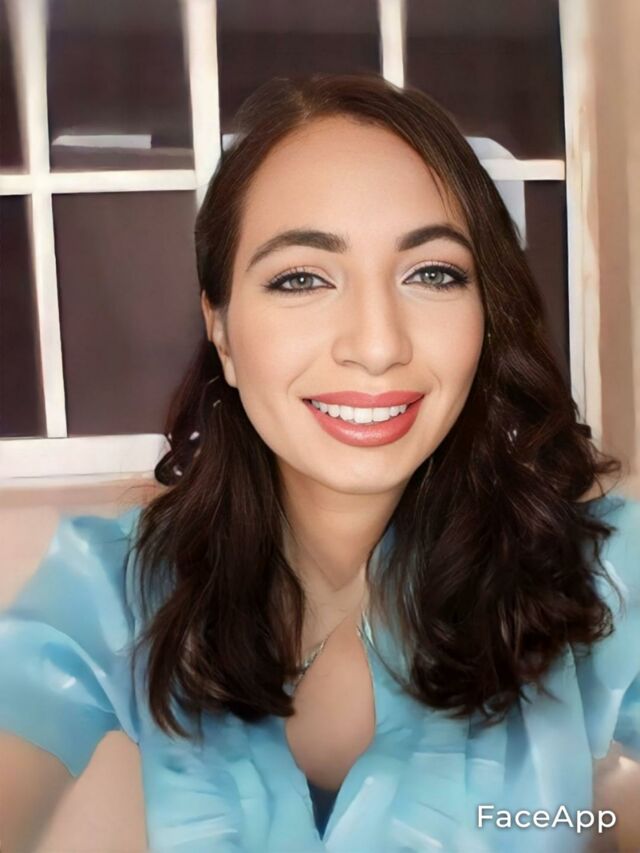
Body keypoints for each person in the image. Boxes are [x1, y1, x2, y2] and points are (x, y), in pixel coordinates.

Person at [1, 73, 638, 852]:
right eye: (301, 277)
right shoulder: (117, 587)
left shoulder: (607, 576)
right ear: (222, 331)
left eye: (433, 273)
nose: (377, 344)